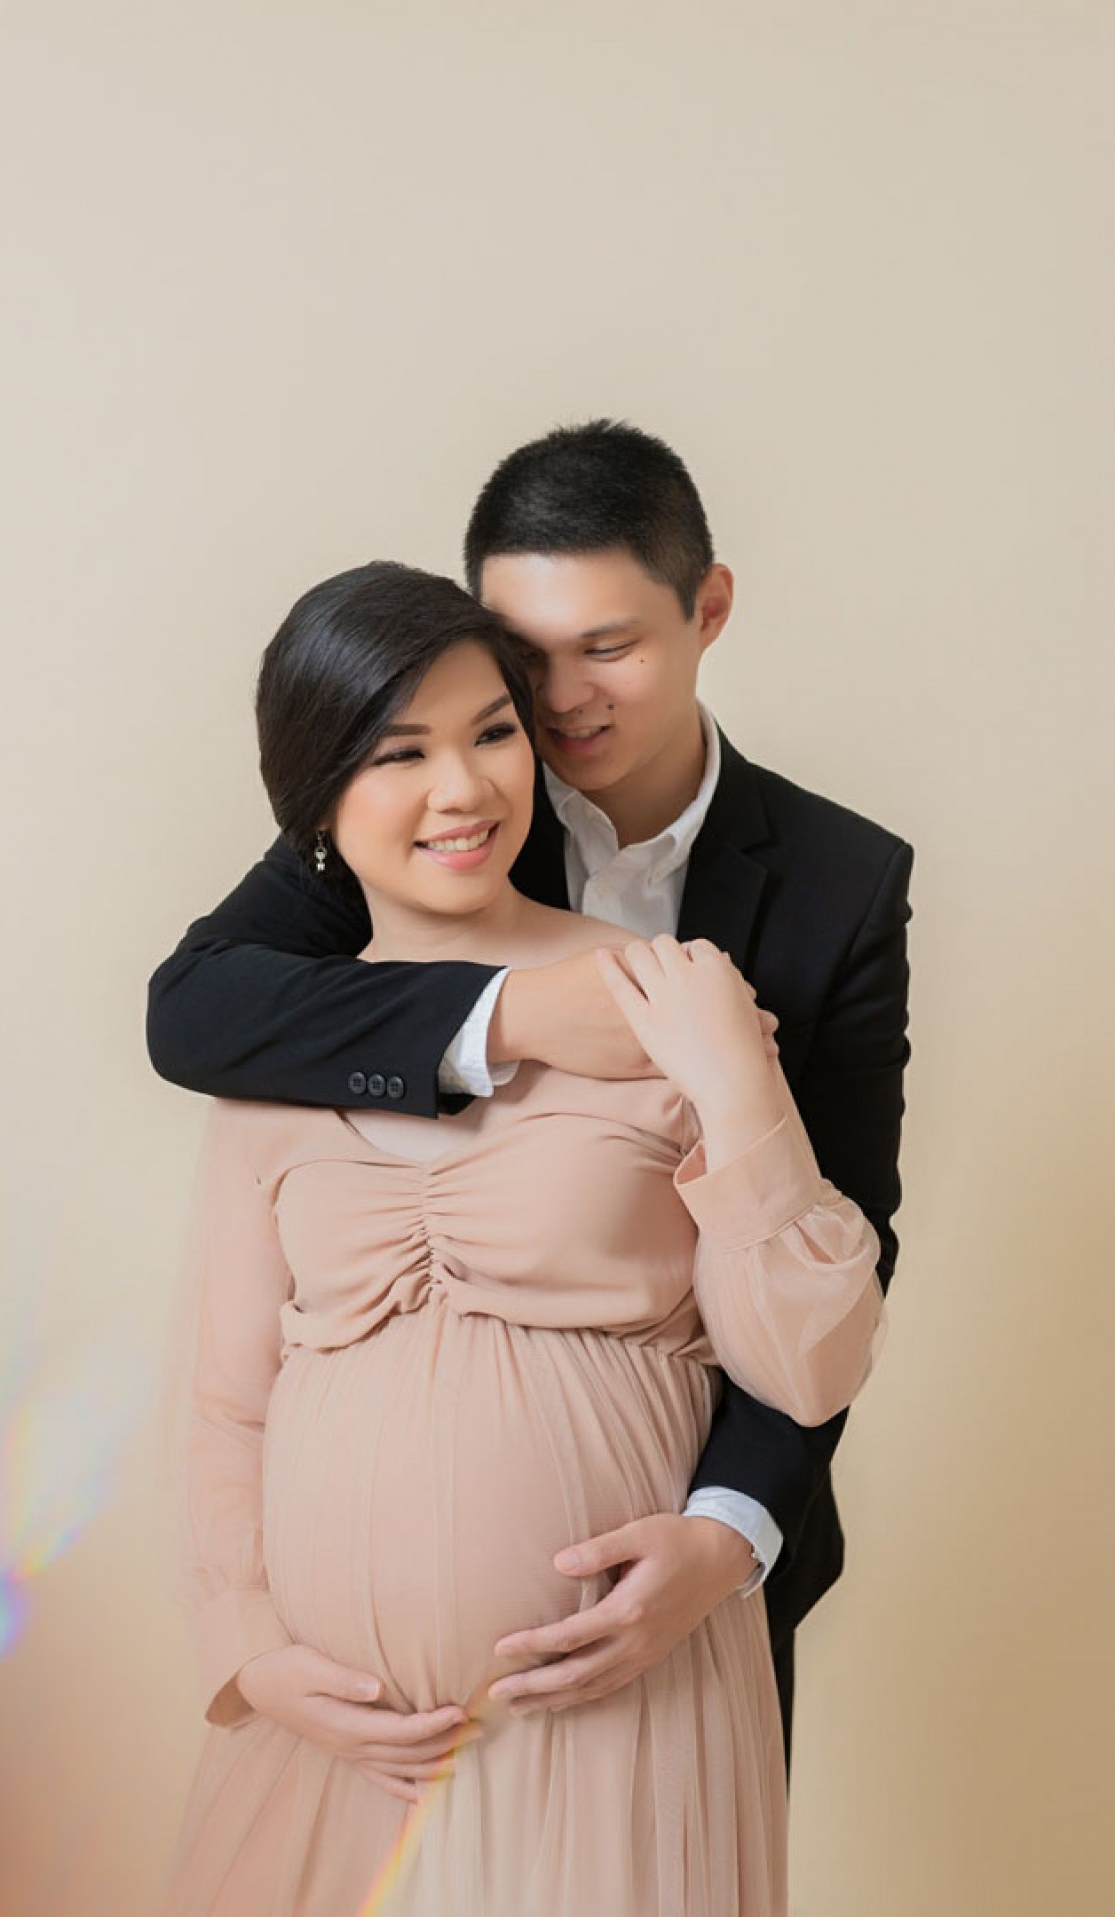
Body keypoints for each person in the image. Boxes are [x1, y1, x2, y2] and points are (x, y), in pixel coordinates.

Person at [148, 421, 913, 1764]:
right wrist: (511, 1012)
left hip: (683, 1592)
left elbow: (843, 1239)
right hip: (368, 1666)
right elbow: (196, 1009)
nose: (559, 702)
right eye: (524, 655)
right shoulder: (435, 798)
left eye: (608, 646)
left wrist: (727, 1531)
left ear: (707, 609)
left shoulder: (842, 882)